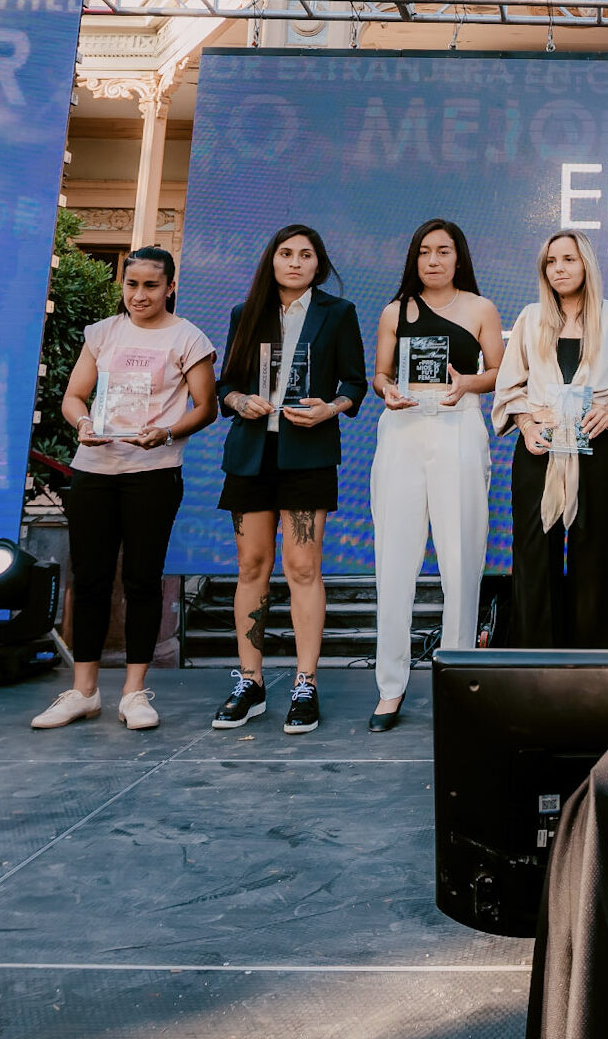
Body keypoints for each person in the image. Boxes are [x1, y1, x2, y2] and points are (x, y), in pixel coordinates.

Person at [31, 247, 217, 732]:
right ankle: (83, 690)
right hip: (94, 469)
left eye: (151, 286)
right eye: (131, 285)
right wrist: (84, 422)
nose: (139, 295)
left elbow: (206, 406)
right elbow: (74, 396)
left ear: (170, 287)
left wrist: (169, 432)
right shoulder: (103, 333)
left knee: (141, 579)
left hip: (153, 473)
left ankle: (135, 692)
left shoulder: (188, 337)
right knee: (89, 579)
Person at [209, 225, 365, 734]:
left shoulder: (337, 313)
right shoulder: (245, 313)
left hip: (308, 454)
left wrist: (331, 408)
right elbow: (225, 384)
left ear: (319, 264)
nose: (295, 262)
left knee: (303, 567)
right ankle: (250, 683)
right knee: (251, 565)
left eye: (305, 255)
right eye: (285, 253)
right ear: (271, 260)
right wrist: (237, 401)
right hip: (252, 452)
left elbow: (356, 383)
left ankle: (305, 682)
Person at [368, 219, 501, 731]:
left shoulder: (481, 308)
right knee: (394, 562)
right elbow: (379, 374)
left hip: (458, 425)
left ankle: (460, 682)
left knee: (461, 559)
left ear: (459, 258)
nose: (434, 260)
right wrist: (387, 390)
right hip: (402, 426)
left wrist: (469, 382)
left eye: (444, 251)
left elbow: (499, 372)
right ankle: (389, 688)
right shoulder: (394, 311)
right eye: (424, 251)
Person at [494, 231, 608, 652]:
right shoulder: (530, 317)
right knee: (533, 555)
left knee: (595, 554)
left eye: (568, 259)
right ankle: (533, 664)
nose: (559, 268)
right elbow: (509, 388)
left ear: (587, 266)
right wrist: (526, 426)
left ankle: (596, 665)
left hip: (594, 448)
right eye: (551, 262)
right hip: (538, 450)